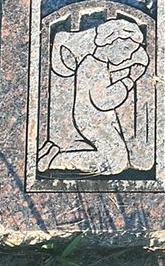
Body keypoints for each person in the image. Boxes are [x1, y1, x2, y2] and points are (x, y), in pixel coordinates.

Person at [38, 17, 149, 175]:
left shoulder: (96, 63)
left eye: (131, 52)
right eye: (126, 49)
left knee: (111, 154)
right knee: (116, 162)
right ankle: (55, 161)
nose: (128, 55)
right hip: (93, 121)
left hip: (97, 119)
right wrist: (130, 80)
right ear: (110, 41)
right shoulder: (93, 66)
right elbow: (103, 101)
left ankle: (53, 151)